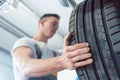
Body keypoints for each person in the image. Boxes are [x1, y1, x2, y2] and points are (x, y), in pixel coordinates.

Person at [11, 13, 93, 80]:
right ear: (42, 23)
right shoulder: (25, 42)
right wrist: (61, 62)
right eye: (54, 24)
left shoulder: (53, 53)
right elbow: (26, 67)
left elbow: (68, 54)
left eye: (57, 26)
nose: (56, 28)